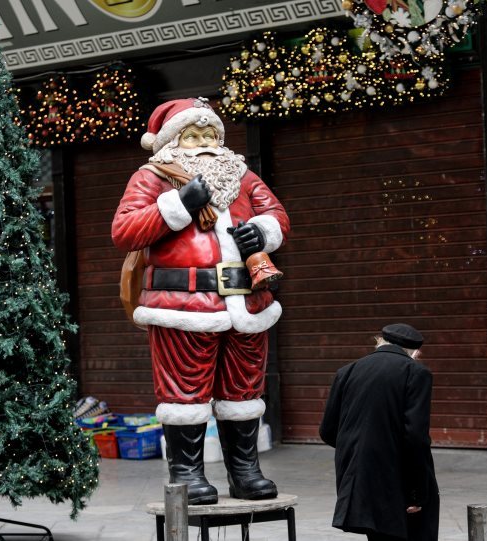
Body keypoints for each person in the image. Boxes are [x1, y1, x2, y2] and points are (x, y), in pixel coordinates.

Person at [112, 97, 290, 504]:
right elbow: (125, 231)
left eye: (211, 134)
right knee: (184, 393)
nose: (205, 142)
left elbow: (277, 213)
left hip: (247, 302)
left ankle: (245, 472)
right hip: (183, 304)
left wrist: (262, 232)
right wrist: (178, 204)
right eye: (193, 135)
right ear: (173, 142)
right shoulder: (151, 177)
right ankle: (187, 474)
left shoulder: (242, 175)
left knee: (243, 391)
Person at [319, 323, 439, 541]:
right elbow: (416, 438)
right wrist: (417, 493)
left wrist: (361, 447)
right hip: (399, 482)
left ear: (380, 341)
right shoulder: (416, 372)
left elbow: (327, 431)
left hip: (359, 479)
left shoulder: (347, 371)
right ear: (415, 352)